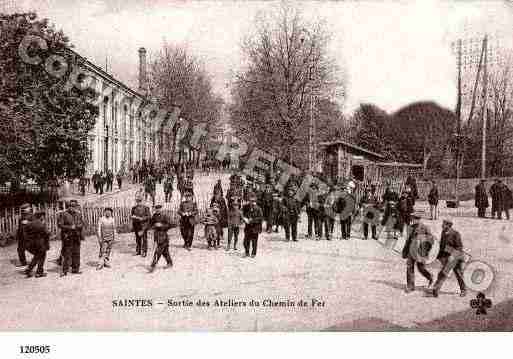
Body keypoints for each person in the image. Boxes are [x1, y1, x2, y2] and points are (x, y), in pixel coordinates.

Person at [430, 219, 467, 298]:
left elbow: (459, 247)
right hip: (447, 256)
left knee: (456, 273)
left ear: (449, 226)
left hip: (456, 256)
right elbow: (442, 246)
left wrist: (453, 256)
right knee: (447, 272)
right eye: (443, 224)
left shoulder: (456, 234)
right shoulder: (443, 232)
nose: (442, 225)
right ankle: (436, 289)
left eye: (444, 224)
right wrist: (437, 256)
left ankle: (463, 290)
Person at [402, 214, 434, 293]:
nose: (416, 220)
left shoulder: (425, 227)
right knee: (409, 267)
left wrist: (422, 241)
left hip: (420, 251)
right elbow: (408, 240)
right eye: (414, 218)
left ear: (420, 219)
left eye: (417, 218)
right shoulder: (410, 227)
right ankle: (410, 286)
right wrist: (405, 251)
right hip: (411, 250)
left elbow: (431, 240)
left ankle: (430, 277)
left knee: (421, 268)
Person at [57, 200, 84, 276]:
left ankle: (75, 269)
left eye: (74, 206)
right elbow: (60, 225)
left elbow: (82, 223)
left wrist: (78, 226)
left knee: (76, 253)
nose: (72, 208)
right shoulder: (63, 214)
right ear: (68, 207)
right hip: (68, 236)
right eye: (70, 206)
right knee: (67, 253)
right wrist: (70, 227)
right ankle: (64, 270)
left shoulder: (78, 214)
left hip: (76, 236)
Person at [23, 210, 51, 278]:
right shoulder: (41, 224)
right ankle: (36, 271)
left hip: (32, 243)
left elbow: (25, 234)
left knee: (37, 256)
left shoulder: (29, 224)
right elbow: (47, 233)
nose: (43, 217)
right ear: (41, 216)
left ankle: (31, 270)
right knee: (41, 256)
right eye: (43, 216)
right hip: (41, 243)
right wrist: (48, 231)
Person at [149, 205, 174, 273]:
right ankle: (169, 263)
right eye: (156, 209)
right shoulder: (154, 216)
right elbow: (151, 225)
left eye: (159, 209)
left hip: (163, 236)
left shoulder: (165, 215)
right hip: (157, 235)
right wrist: (154, 226)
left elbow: (171, 224)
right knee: (165, 251)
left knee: (158, 251)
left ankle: (153, 266)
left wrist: (161, 225)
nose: (157, 210)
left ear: (161, 209)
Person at [242, 192, 263, 258]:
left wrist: (252, 220)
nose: (251, 202)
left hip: (255, 228)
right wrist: (244, 219)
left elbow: (260, 218)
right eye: (250, 201)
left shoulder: (258, 209)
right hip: (248, 227)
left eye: (253, 201)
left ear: (255, 201)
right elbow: (242, 214)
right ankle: (247, 252)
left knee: (254, 242)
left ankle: (253, 253)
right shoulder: (246, 207)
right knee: (245, 241)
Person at [15, 203, 33, 267]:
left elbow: (36, 224)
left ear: (29, 209)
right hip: (22, 236)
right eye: (24, 209)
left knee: (31, 248)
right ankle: (23, 262)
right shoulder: (21, 217)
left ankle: (38, 258)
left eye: (26, 208)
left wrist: (28, 223)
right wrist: (18, 235)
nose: (25, 210)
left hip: (28, 236)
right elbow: (20, 227)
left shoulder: (31, 216)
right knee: (20, 249)